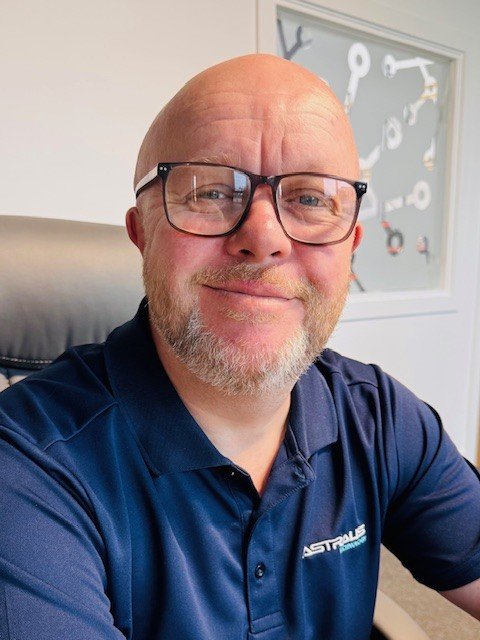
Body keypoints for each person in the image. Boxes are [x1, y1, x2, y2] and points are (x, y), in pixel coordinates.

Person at [0, 54, 479, 640]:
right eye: (211, 190)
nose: (264, 236)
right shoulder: (26, 465)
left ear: (350, 248)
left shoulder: (379, 416)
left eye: (310, 199)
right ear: (141, 232)